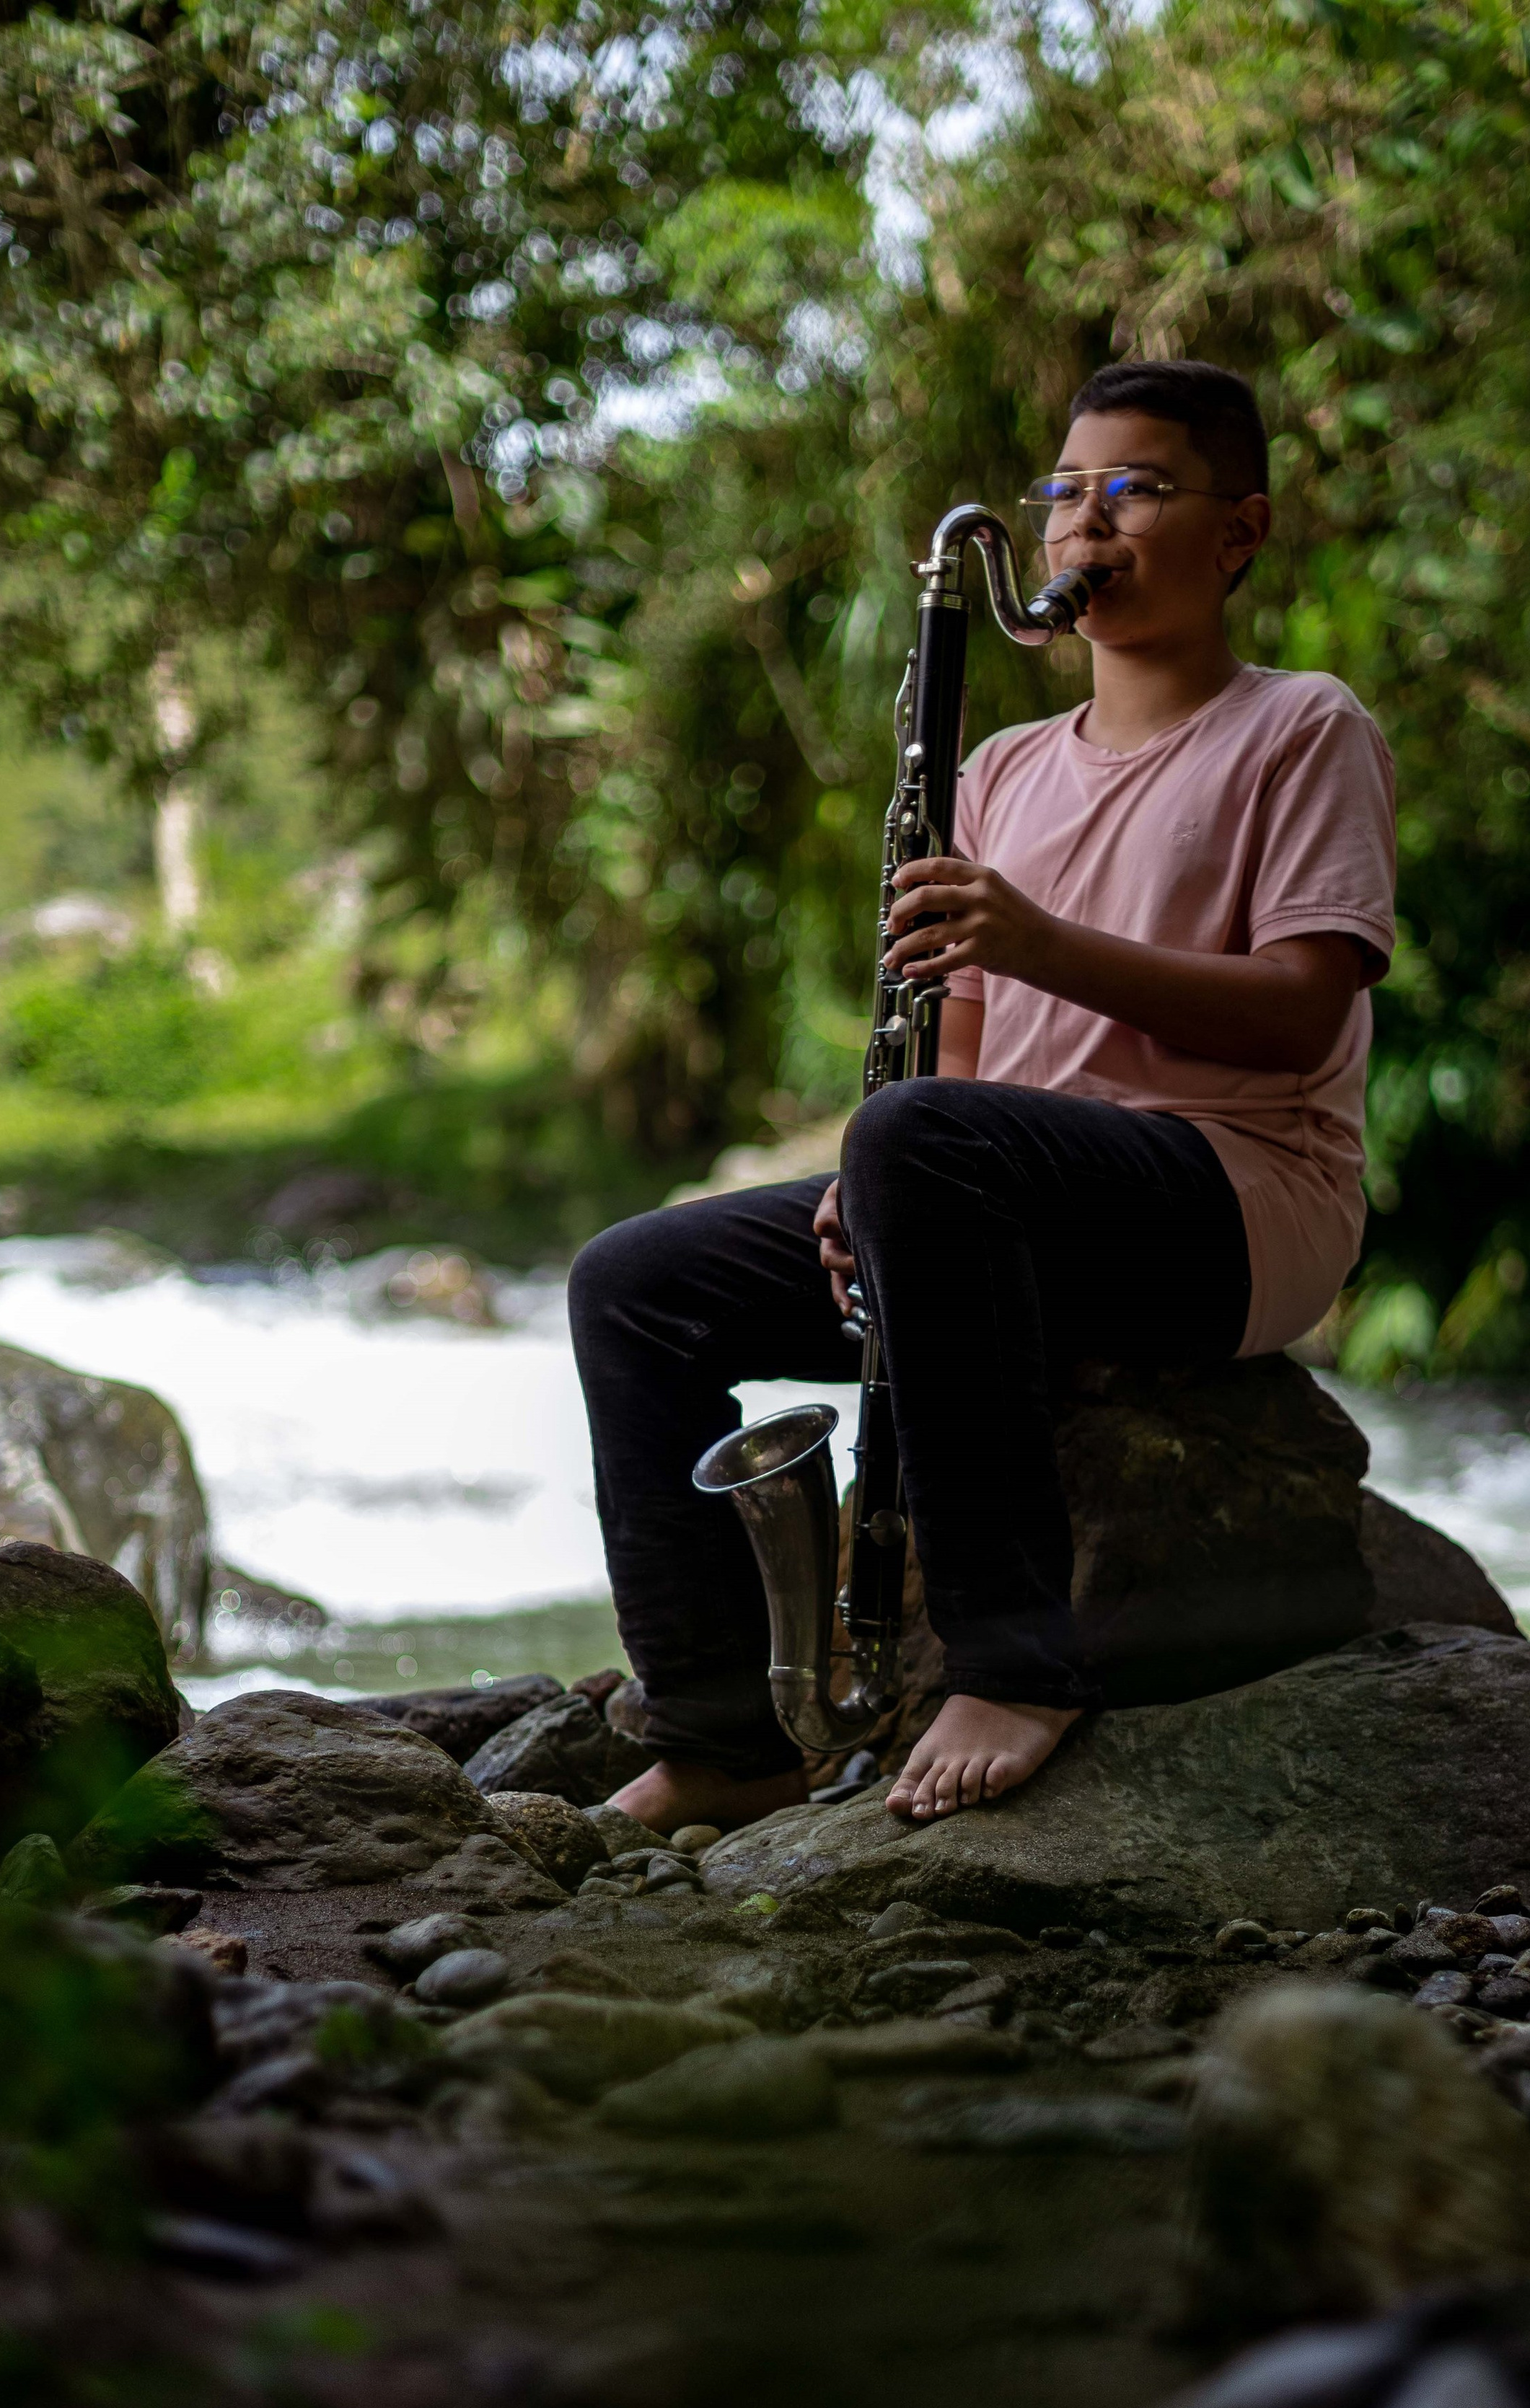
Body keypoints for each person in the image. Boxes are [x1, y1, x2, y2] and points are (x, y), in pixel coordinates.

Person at [569, 356, 1397, 1835]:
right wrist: (859, 1195)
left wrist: (1036, 949)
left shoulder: (1300, 726)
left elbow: (1299, 1013)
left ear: (1240, 530)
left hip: (1231, 1206)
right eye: (1063, 494)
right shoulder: (1003, 767)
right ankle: (724, 1728)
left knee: (920, 1145)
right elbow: (949, 1056)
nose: (1084, 526)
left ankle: (1016, 1662)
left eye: (1134, 488)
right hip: (987, 1201)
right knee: (636, 1283)